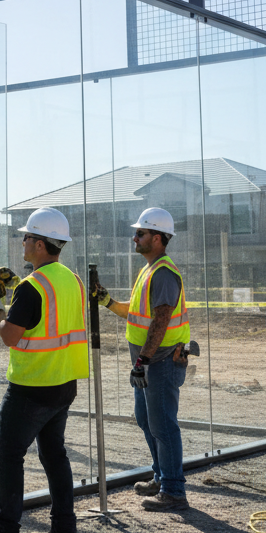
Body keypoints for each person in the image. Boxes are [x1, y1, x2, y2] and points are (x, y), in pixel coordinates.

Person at [0, 207, 88, 533]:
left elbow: (10, 336)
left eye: (26, 237)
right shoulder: (72, 280)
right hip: (63, 383)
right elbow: (47, 314)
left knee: (8, 456)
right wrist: (15, 289)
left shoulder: (32, 287)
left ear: (39, 244)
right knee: (54, 455)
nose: (22, 242)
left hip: (31, 386)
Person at [92, 207, 191, 511]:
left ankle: (174, 490)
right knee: (147, 420)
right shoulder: (149, 270)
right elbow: (136, 314)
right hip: (148, 364)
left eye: (140, 233)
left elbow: (160, 321)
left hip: (159, 363)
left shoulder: (163, 273)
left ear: (158, 238)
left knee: (163, 425)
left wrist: (143, 361)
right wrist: (107, 301)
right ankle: (162, 477)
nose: (134, 238)